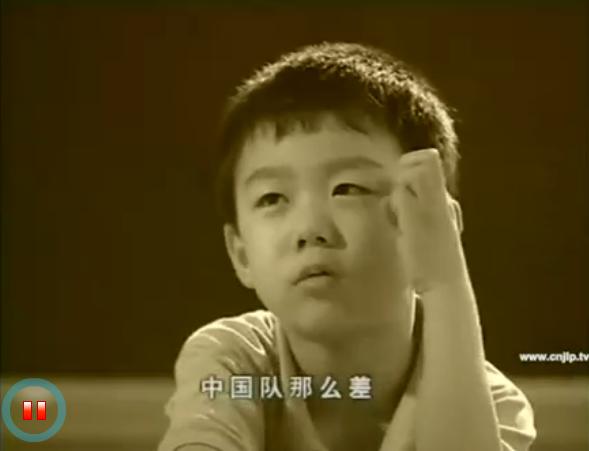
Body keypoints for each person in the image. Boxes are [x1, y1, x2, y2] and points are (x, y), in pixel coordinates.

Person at [158, 42, 536, 451]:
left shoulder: (486, 402)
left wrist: (443, 280)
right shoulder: (235, 358)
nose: (310, 230)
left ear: (435, 223)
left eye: (347, 188)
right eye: (272, 198)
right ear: (241, 254)